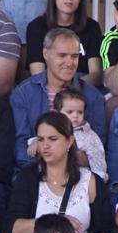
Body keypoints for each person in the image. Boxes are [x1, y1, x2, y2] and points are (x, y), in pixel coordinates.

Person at [3, 111, 116, 233]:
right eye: (41, 139)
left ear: (69, 142)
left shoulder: (91, 181)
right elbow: (12, 230)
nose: (45, 146)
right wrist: (55, 222)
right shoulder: (28, 178)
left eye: (52, 139)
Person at [11, 25, 108, 166]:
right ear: (46, 54)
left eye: (74, 56)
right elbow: (21, 144)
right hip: (34, 170)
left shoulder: (93, 96)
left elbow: (98, 144)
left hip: (78, 173)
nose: (69, 63)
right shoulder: (23, 93)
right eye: (62, 55)